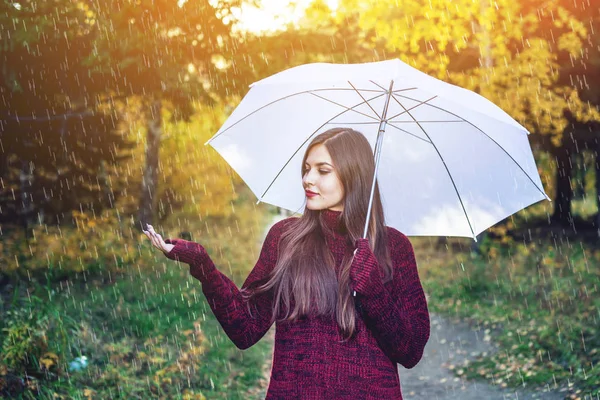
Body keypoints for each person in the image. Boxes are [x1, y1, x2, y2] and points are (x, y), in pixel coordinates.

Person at [143, 127, 430, 399]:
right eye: (306, 169)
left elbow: (411, 350)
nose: (308, 179)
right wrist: (202, 265)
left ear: (354, 175)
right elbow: (245, 327)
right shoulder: (285, 239)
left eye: (322, 171)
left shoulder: (394, 247)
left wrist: (374, 292)